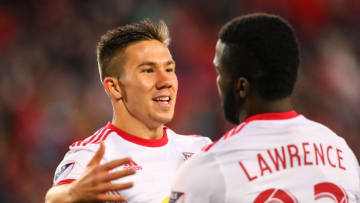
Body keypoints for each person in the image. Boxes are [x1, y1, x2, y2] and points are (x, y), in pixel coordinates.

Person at [170, 13, 360, 202]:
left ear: (241, 86)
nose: (218, 82)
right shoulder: (341, 152)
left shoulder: (209, 166)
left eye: (220, 72)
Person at [45, 19, 211, 203]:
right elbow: (56, 197)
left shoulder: (200, 148)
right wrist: (71, 194)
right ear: (115, 87)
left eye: (169, 69)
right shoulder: (97, 155)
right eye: (148, 70)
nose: (166, 81)